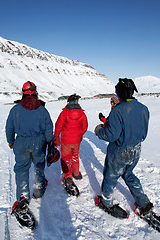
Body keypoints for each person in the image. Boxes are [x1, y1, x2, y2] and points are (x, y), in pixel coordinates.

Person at [94, 78, 153, 219]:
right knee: (129, 174)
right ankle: (143, 202)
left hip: (119, 150)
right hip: (136, 149)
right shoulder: (144, 109)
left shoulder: (118, 110)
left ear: (119, 92)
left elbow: (112, 135)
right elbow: (144, 131)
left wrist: (99, 131)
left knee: (111, 176)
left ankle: (106, 202)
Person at [5, 81, 54, 220]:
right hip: (39, 142)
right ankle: (38, 188)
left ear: (23, 93)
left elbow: (9, 128)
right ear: (35, 92)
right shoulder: (42, 109)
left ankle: (23, 196)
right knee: (39, 164)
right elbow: (49, 129)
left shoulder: (15, 109)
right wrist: (49, 142)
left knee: (21, 169)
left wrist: (10, 141)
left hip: (21, 142)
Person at [54, 94, 88, 195]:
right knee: (75, 156)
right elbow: (85, 127)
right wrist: (79, 134)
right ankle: (76, 173)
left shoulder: (64, 113)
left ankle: (68, 176)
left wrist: (56, 136)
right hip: (76, 140)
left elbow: (58, 125)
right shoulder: (82, 114)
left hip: (66, 140)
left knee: (65, 158)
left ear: (68, 102)